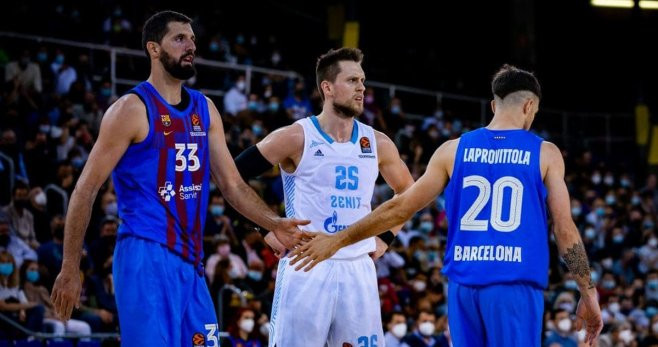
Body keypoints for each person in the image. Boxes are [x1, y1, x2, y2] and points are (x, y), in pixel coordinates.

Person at [290, 64, 604, 346]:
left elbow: (399, 208)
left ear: (494, 105)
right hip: (513, 287)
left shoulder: (451, 150)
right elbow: (565, 230)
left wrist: (337, 240)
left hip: (462, 290)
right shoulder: (544, 153)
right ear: (529, 105)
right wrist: (588, 292)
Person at [49, 10, 308, 346]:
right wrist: (70, 267)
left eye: (193, 40)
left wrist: (274, 222)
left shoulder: (205, 109)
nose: (191, 46)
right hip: (145, 256)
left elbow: (232, 185)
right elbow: (85, 190)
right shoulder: (131, 109)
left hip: (191, 261)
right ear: (154, 49)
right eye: (180, 39)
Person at [234, 47, 414, 346]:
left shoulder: (378, 142)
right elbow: (232, 176)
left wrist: (387, 237)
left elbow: (408, 190)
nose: (362, 88)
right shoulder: (295, 136)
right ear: (327, 88)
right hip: (308, 265)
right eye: (353, 80)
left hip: (358, 267)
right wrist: (266, 227)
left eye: (363, 80)